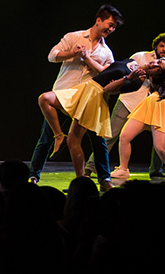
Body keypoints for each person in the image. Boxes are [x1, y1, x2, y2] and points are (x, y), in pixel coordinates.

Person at [29, 4, 123, 183]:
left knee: (98, 141)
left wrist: (88, 59)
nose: (110, 29)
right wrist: (72, 53)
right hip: (65, 93)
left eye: (113, 27)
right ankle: (33, 175)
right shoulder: (74, 37)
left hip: (88, 100)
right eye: (109, 24)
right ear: (98, 20)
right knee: (46, 137)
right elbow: (52, 56)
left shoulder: (106, 52)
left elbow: (107, 74)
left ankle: (104, 179)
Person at [37, 58, 150, 190]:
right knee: (44, 99)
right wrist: (86, 57)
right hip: (86, 87)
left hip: (95, 96)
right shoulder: (132, 61)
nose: (154, 63)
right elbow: (104, 70)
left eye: (157, 67)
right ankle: (59, 136)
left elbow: (108, 89)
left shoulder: (136, 82)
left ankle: (83, 183)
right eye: (156, 62)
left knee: (75, 140)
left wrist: (126, 78)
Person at [84, 32, 165, 176]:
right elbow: (124, 73)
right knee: (111, 134)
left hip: (148, 106)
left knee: (160, 138)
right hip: (129, 100)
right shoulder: (141, 56)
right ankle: (91, 167)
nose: (164, 49)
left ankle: (156, 170)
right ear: (156, 46)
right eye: (162, 46)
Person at [112, 58, 165, 180]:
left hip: (162, 105)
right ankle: (123, 169)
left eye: (159, 65)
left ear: (161, 73)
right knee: (124, 136)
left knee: (161, 148)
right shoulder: (146, 69)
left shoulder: (162, 82)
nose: (155, 63)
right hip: (149, 103)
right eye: (159, 60)